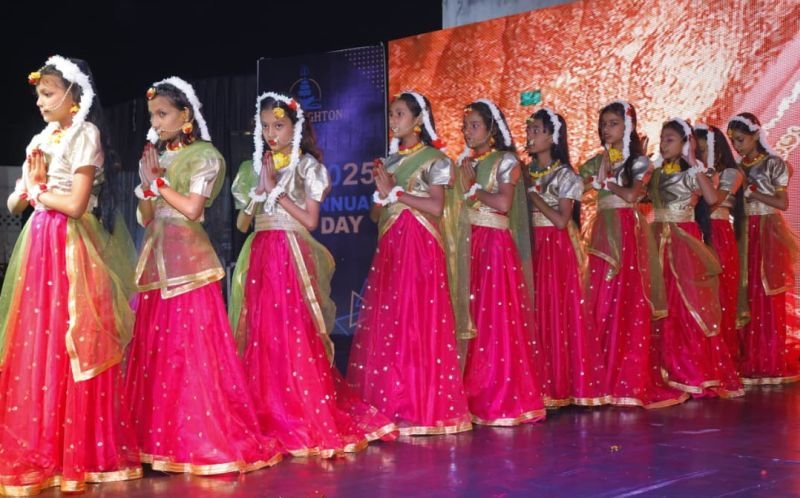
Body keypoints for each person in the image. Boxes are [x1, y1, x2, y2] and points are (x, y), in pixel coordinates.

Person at [124, 77, 282, 474]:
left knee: (189, 355)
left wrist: (158, 184)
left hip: (190, 265)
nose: (155, 123)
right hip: (156, 263)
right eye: (152, 116)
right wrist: (147, 186)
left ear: (185, 115)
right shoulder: (161, 158)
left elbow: (193, 209)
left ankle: (196, 438)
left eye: (162, 114)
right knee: (156, 355)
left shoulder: (205, 156)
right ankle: (157, 441)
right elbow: (145, 218)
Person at [0, 55, 142, 495]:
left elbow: (77, 205)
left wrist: (39, 190)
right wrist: (29, 189)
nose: (40, 103)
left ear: (73, 95)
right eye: (39, 95)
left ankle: (78, 451)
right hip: (39, 243)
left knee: (72, 338)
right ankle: (42, 442)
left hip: (71, 244)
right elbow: (13, 203)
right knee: (37, 339)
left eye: (48, 94)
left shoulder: (86, 135)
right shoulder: (40, 138)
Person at [229, 92, 396, 457]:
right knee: (260, 333)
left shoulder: (307, 167)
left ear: (296, 127)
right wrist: (259, 191)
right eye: (265, 127)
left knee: (291, 333)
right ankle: (266, 410)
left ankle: (297, 409)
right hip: (260, 255)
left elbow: (310, 220)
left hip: (290, 255)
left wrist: (277, 192)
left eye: (278, 125)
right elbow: (242, 224)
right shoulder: (252, 167)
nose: (271, 133)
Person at [347, 91, 472, 435]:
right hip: (392, 248)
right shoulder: (388, 162)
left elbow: (436, 207)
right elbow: (376, 216)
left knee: (418, 322)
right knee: (392, 323)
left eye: (399, 114)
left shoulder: (436, 160)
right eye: (391, 114)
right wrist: (381, 195)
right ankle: (392, 402)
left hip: (420, 249)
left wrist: (397, 192)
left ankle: (421, 405)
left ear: (418, 119)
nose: (393, 120)